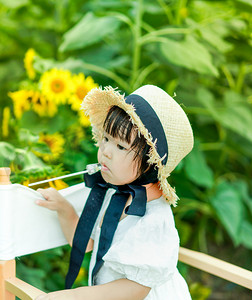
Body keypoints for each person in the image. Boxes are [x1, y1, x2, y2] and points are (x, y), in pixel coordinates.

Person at [35, 85, 194, 299]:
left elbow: (135, 289)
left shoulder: (153, 221)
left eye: (120, 147)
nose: (106, 152)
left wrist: (73, 296)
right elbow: (88, 242)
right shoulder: (113, 194)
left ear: (150, 162)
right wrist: (65, 209)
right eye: (107, 139)